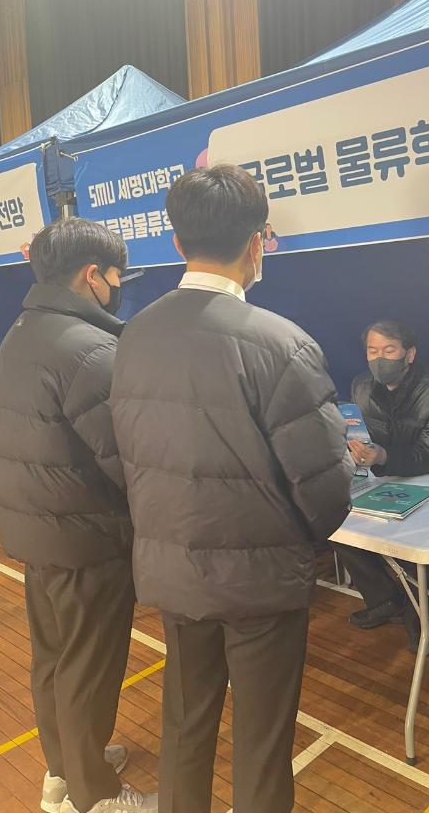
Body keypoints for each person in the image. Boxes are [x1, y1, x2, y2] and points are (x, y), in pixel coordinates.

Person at [110, 164, 353, 813]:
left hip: (173, 569)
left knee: (185, 723)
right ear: (256, 242)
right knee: (261, 742)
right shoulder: (281, 345)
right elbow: (328, 492)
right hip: (260, 583)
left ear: (176, 241)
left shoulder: (134, 336)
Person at [0, 218, 157, 813]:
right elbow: (127, 457)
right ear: (92, 276)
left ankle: (64, 771)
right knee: (90, 665)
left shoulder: (23, 330)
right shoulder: (89, 348)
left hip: (37, 529)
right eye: (117, 276)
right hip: (86, 535)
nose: (120, 286)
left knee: (55, 658)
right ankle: (95, 795)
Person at [334, 320, 429, 649]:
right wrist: (356, 449)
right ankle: (384, 599)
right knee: (335, 522)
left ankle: (417, 614)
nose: (380, 359)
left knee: (423, 536)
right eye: (372, 351)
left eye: (389, 350)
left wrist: (383, 456)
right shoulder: (361, 386)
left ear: (409, 354)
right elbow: (360, 433)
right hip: (384, 475)